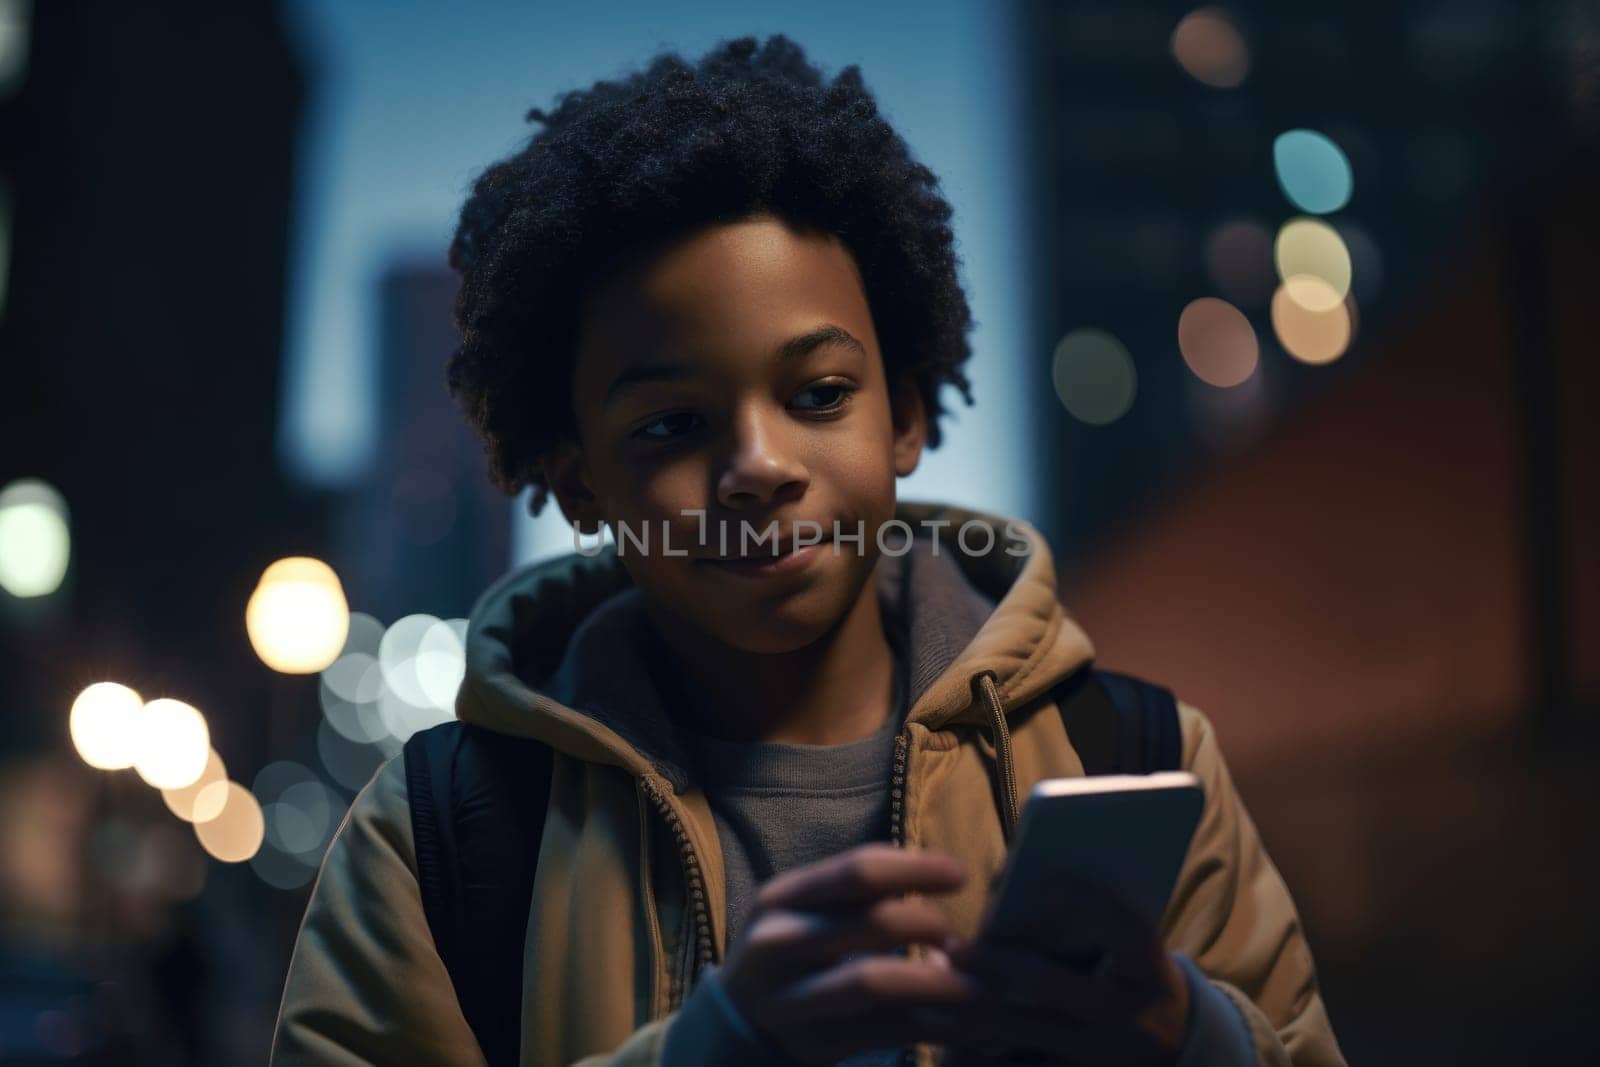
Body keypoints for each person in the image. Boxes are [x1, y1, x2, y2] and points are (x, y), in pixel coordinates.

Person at [271, 33, 1345, 1067]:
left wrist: (1184, 1035)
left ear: (908, 414)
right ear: (576, 480)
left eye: (819, 394)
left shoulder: (1140, 756)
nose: (757, 463)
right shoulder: (439, 837)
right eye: (670, 424)